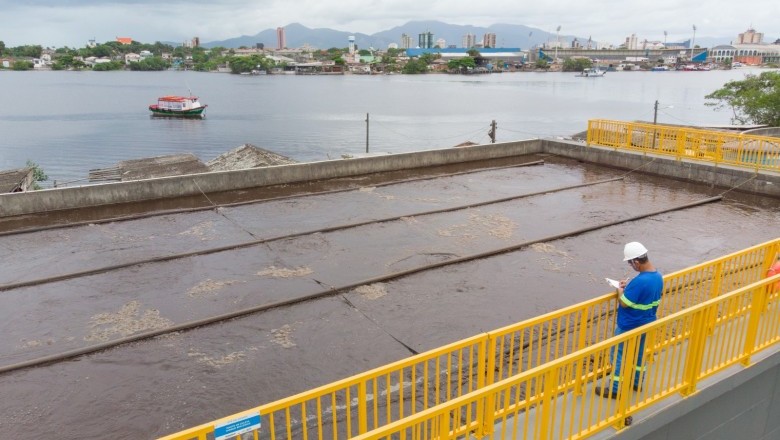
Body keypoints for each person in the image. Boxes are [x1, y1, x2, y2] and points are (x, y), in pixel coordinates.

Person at [595, 241, 663, 398]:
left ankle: (615, 389)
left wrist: (620, 291)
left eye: (631, 263)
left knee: (617, 355)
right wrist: (629, 286)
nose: (631, 266)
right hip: (647, 322)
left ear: (636, 262)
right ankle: (637, 383)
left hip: (629, 324)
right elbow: (645, 296)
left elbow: (624, 303)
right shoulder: (658, 276)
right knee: (639, 355)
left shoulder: (640, 281)